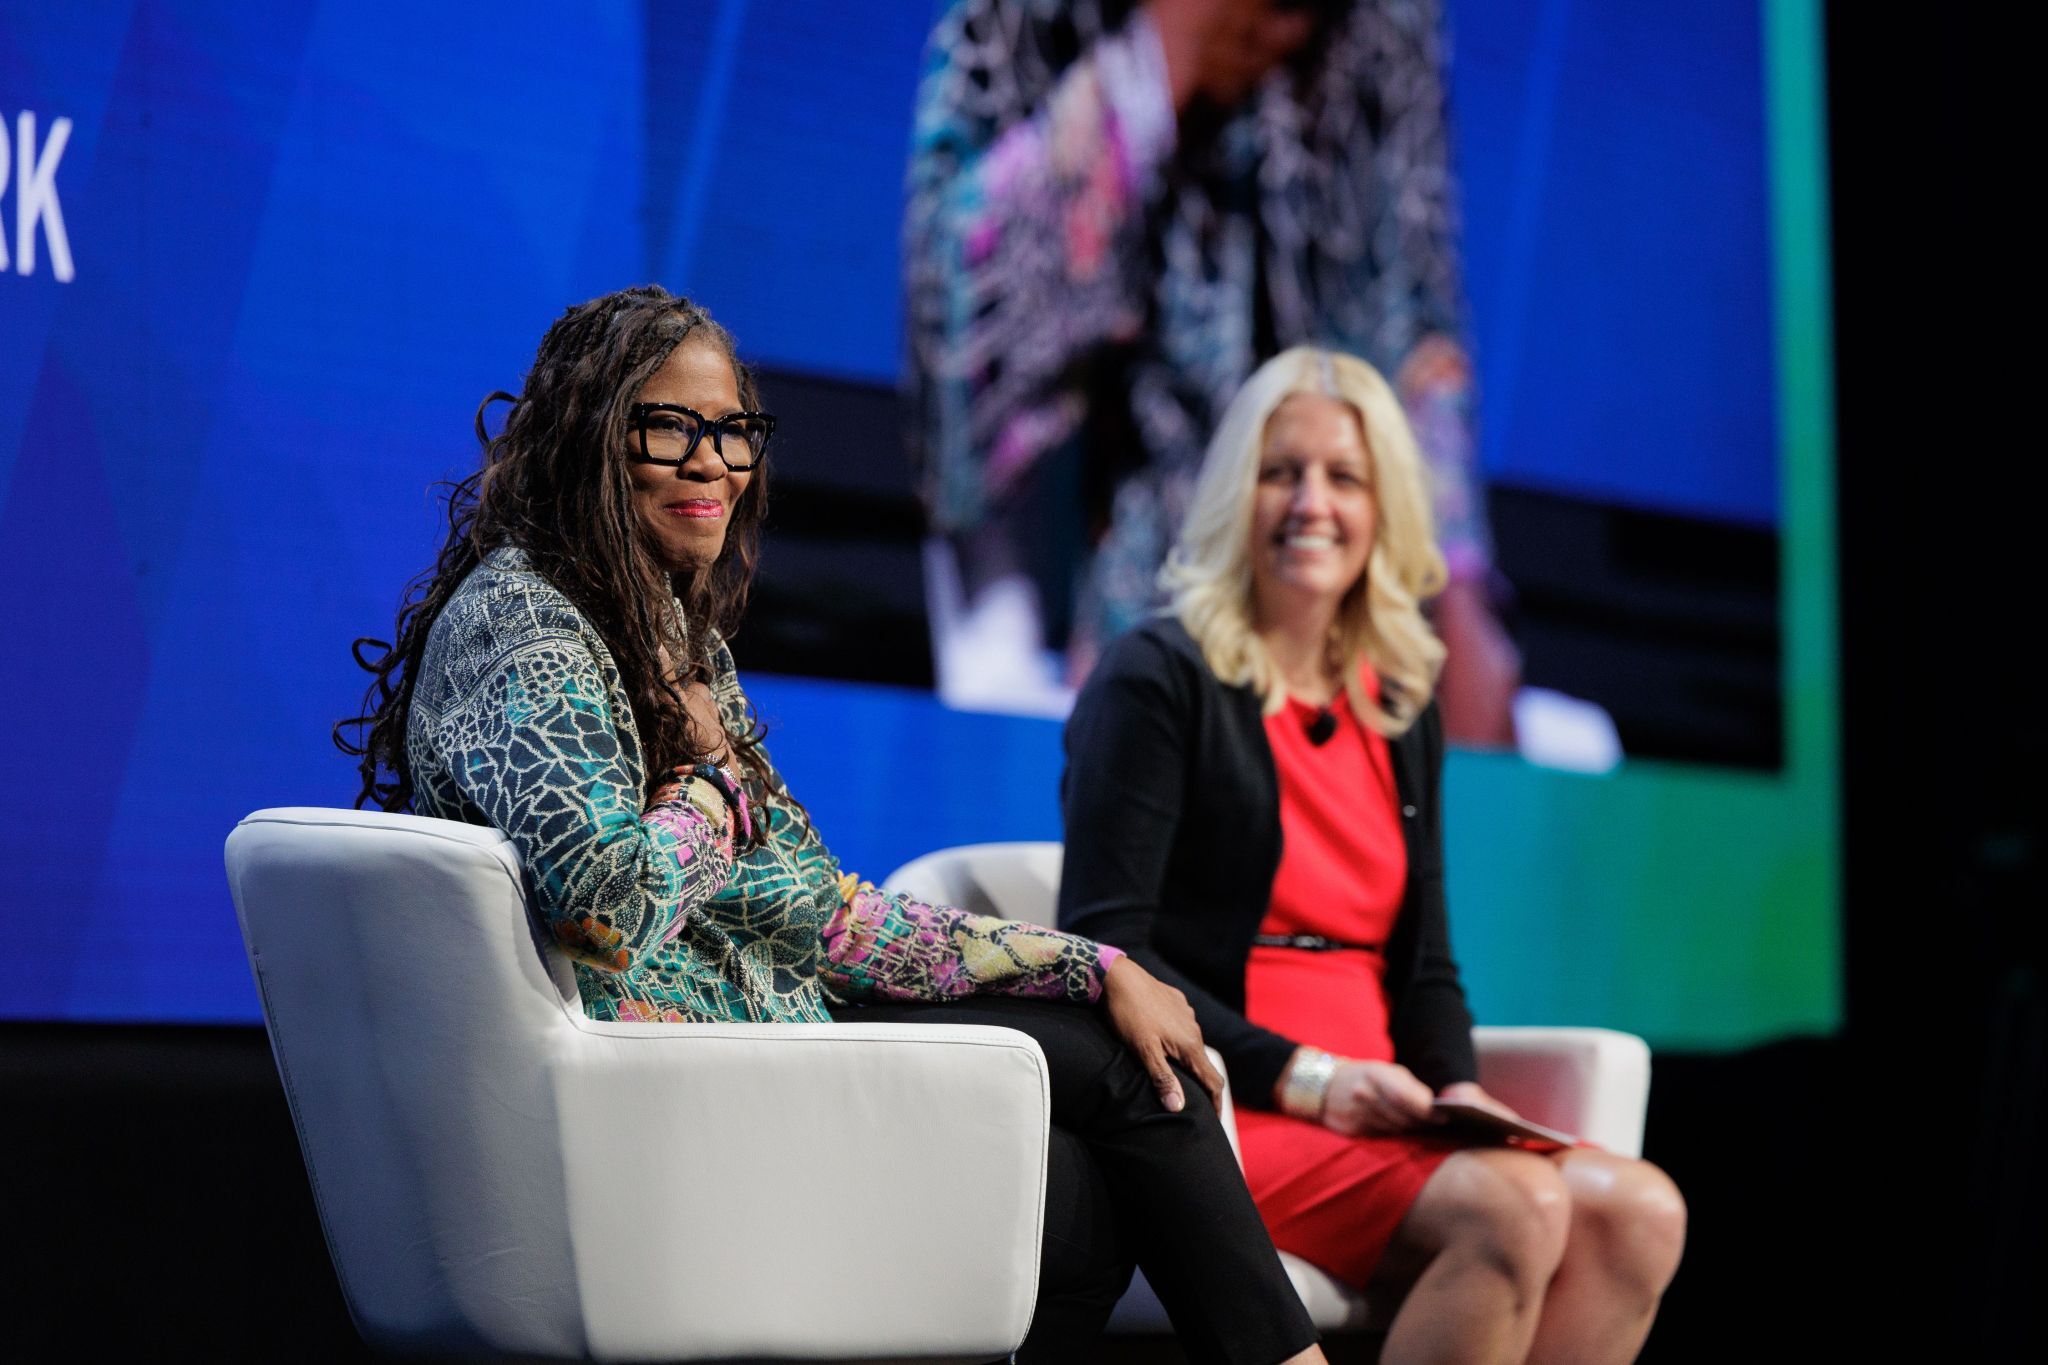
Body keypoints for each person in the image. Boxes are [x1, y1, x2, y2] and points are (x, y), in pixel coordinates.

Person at [337, 285, 1324, 1364]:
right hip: (666, 1099)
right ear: (585, 436)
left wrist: (1089, 965)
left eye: (732, 432)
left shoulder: (663, 624)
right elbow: (605, 907)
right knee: (1109, 1139)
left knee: (1098, 1151)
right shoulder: (524, 625)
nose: (712, 462)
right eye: (669, 426)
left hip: (759, 1048)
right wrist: (710, 783)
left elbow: (827, 917)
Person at [1058, 346, 1685, 1363]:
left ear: (1384, 505)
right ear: (1235, 493)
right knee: (1514, 1209)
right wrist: (1311, 1080)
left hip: (1377, 1107)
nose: (1311, 504)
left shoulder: (1397, 701)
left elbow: (1425, 959)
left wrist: (1456, 1087)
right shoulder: (1154, 675)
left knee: (1641, 1213)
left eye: (1342, 478)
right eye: (1281, 472)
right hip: (1229, 1111)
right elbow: (1104, 947)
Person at [905, 0, 1519, 743]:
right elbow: (951, 379)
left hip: (1341, 668)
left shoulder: (1392, 21)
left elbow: (1418, 302)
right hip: (1102, 660)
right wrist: (1162, 58)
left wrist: (1450, 580)